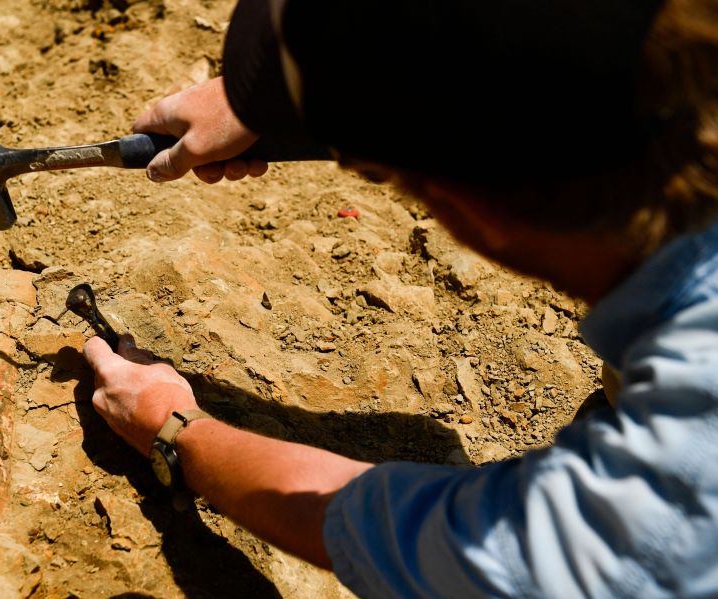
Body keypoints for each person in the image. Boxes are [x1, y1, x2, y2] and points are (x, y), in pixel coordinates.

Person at [82, 0, 718, 596]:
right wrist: (272, 102)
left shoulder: (657, 514)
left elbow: (402, 531)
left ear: (467, 208)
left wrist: (176, 430)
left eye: (381, 176)